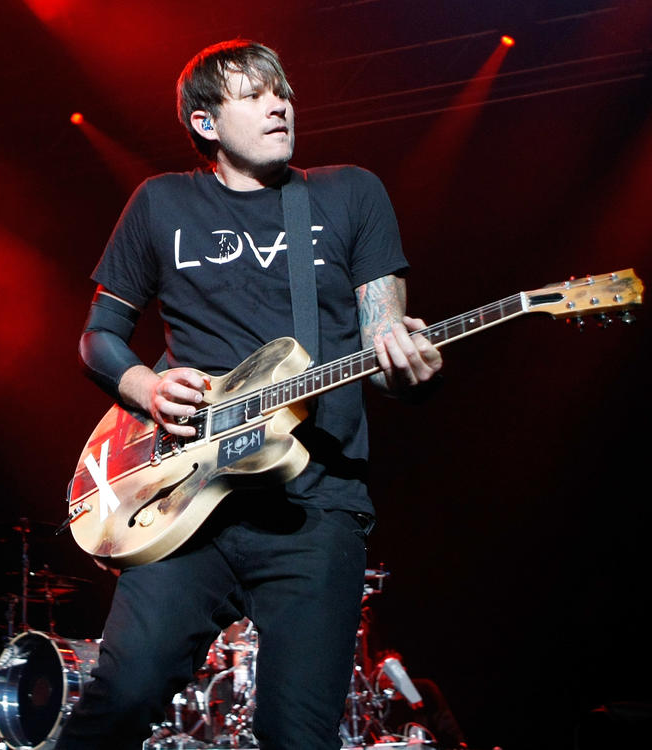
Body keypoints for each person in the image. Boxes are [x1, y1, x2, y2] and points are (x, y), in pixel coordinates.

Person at [57, 40, 443, 750]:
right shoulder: (161, 204)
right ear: (205, 123)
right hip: (186, 497)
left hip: (316, 503)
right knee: (121, 694)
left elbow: (385, 339)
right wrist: (145, 384)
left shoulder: (350, 192)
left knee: (297, 735)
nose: (280, 104)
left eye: (284, 92)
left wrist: (406, 366)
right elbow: (98, 337)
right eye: (255, 93)